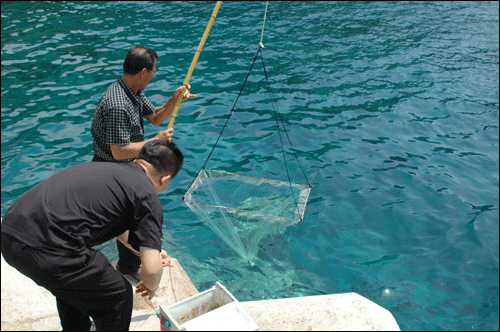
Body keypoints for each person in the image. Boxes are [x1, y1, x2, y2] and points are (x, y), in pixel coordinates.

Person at [1, 140, 183, 331]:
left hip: (10, 235)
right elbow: (152, 271)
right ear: (165, 178)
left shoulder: (109, 170)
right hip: (47, 251)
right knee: (117, 294)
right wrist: (150, 285)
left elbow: (121, 231)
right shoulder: (147, 194)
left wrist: (148, 251)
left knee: (79, 285)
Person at [91, 46, 196, 281]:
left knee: (130, 217)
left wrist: (174, 100)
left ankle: (129, 267)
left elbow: (156, 117)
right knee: (123, 217)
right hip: (110, 167)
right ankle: (131, 267)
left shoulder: (133, 91)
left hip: (126, 164)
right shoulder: (118, 103)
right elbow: (118, 152)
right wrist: (153, 142)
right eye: (153, 72)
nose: (153, 76)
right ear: (143, 72)